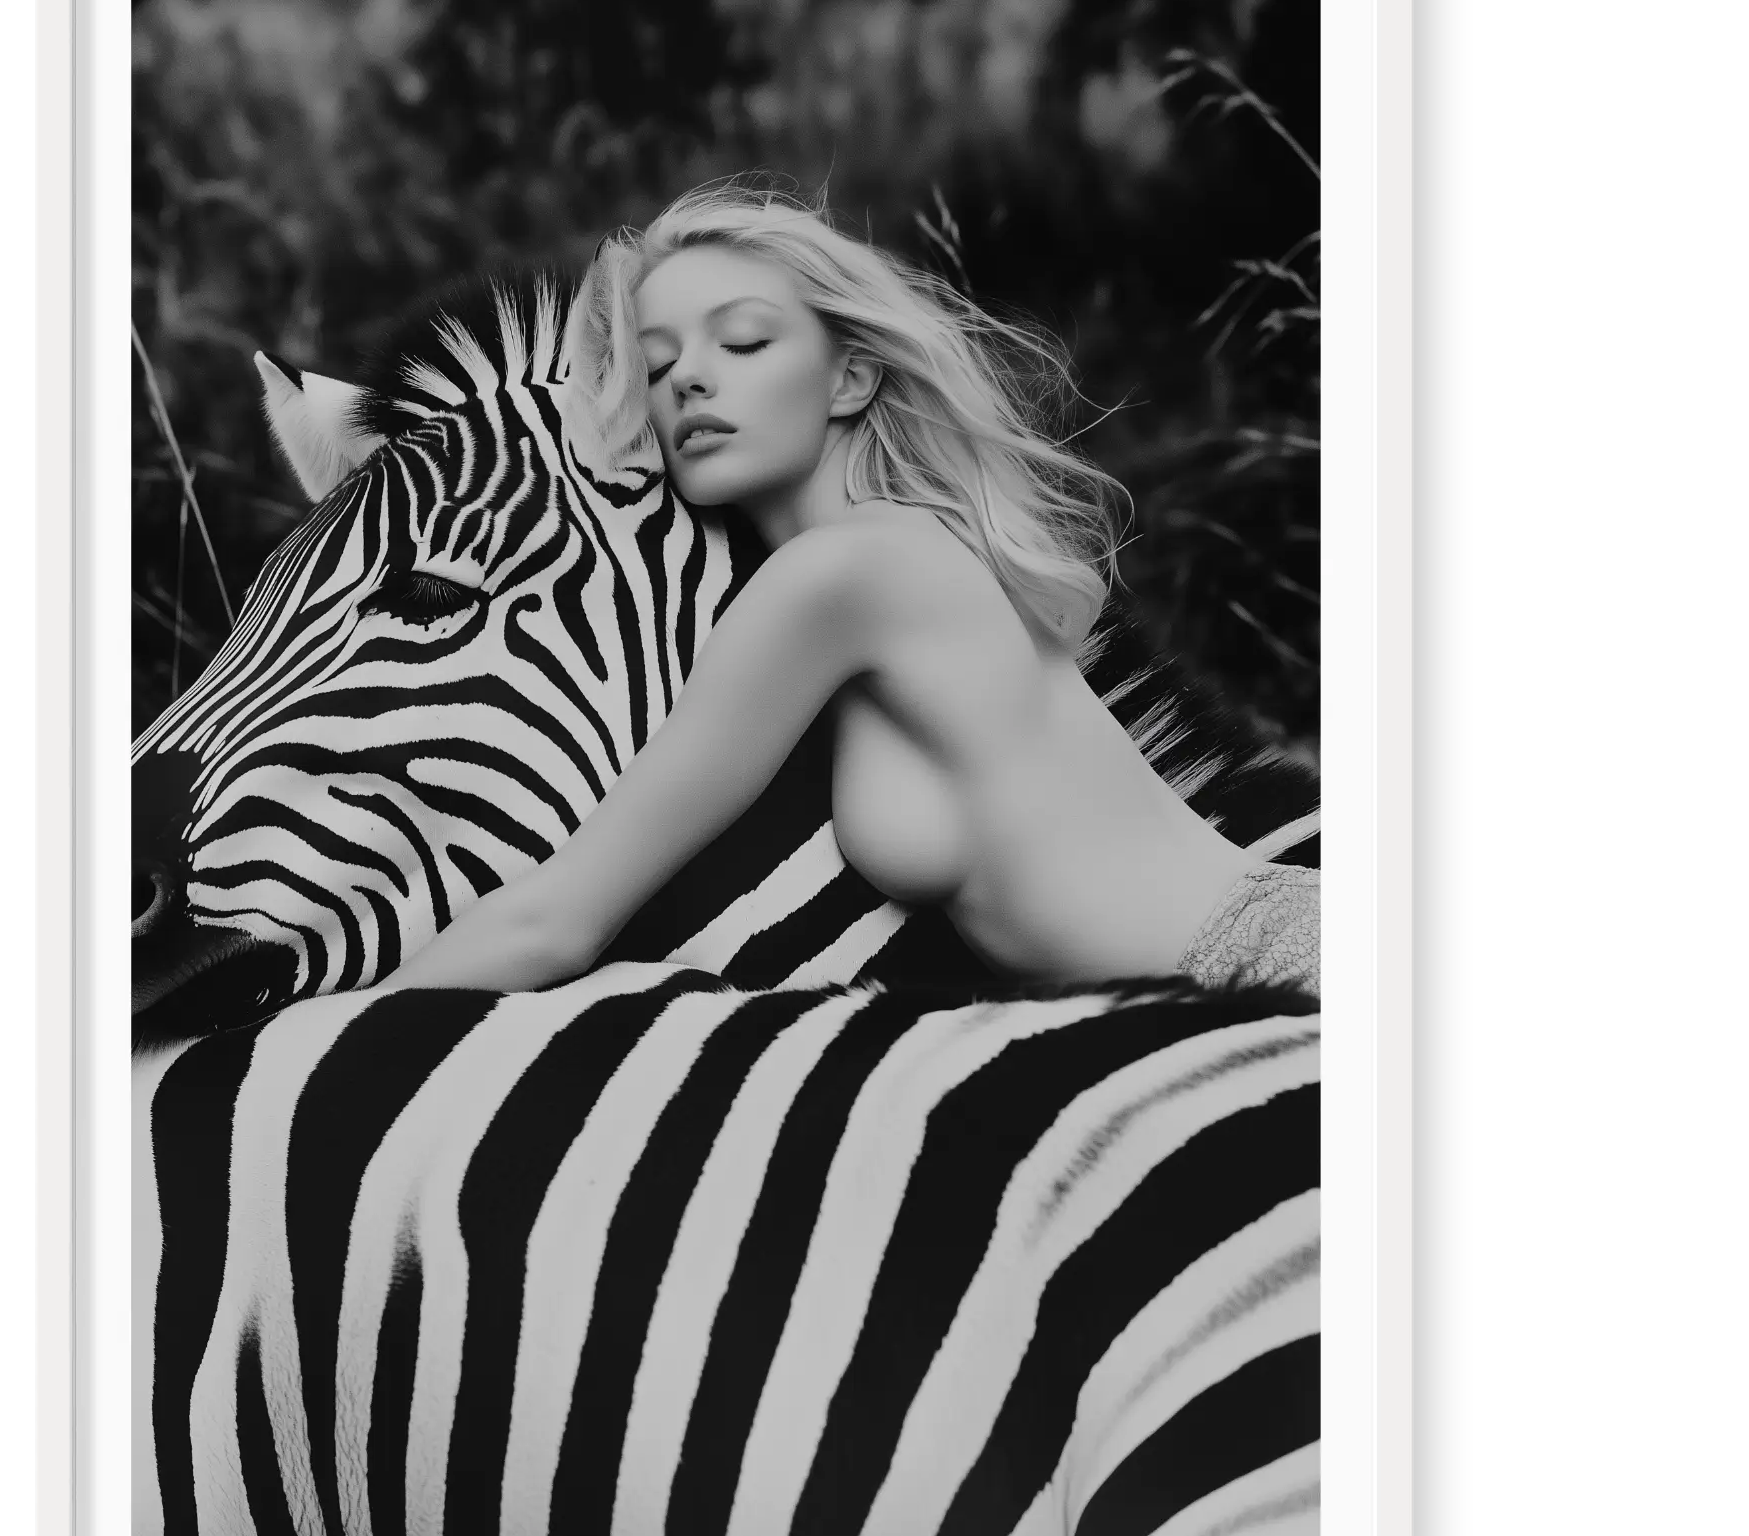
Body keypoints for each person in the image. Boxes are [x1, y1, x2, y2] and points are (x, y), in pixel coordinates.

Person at [374, 180, 1319, 1004]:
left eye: (743, 341)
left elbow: (559, 918)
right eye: (656, 367)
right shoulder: (902, 551)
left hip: (1276, 972)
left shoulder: (840, 576)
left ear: (852, 377)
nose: (689, 377)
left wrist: (320, 1041)